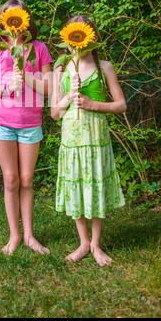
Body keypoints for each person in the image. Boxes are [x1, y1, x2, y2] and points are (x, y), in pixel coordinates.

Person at [51, 15, 126, 266]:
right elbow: (54, 113)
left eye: (82, 35)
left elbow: (121, 105)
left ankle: (96, 243)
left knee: (94, 184)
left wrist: (94, 104)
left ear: (90, 37)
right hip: (72, 139)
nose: (77, 41)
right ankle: (83, 242)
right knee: (76, 185)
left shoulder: (103, 66)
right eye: (73, 35)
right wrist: (68, 97)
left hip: (95, 138)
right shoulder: (61, 68)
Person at [0, 0, 53, 255]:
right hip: (2, 122)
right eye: (7, 16)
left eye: (17, 15)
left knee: (26, 179)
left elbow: (49, 88)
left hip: (29, 122)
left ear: (25, 18)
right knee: (10, 179)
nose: (13, 20)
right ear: (2, 20)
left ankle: (30, 236)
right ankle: (14, 236)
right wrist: (5, 87)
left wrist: (28, 79)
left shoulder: (39, 48)